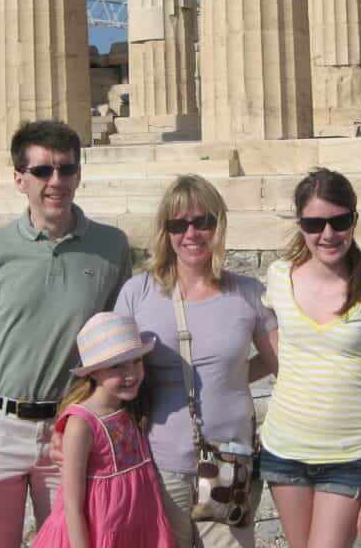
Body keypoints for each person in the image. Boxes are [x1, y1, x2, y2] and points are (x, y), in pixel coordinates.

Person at [0, 120, 133, 548]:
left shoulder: (112, 247)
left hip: (68, 431)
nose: (55, 181)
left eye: (66, 169)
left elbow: (117, 347)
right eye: (42, 171)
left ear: (79, 175)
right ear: (19, 179)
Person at [114, 174, 278, 548]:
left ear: (217, 225)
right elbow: (109, 374)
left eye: (202, 222)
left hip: (228, 463)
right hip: (158, 462)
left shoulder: (247, 293)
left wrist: (230, 376)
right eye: (178, 224)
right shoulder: (137, 292)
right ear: (165, 231)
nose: (191, 233)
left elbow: (281, 361)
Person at [259, 169, 361, 548]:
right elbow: (276, 354)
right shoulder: (278, 278)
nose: (327, 234)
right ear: (299, 225)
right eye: (314, 223)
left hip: (349, 456)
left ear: (354, 220)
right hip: (283, 449)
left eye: (339, 221)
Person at [31, 311, 175, 548]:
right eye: (116, 366)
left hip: (138, 528)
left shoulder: (131, 407)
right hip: (96, 535)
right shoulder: (81, 425)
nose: (131, 374)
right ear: (93, 372)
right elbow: (72, 507)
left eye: (137, 361)